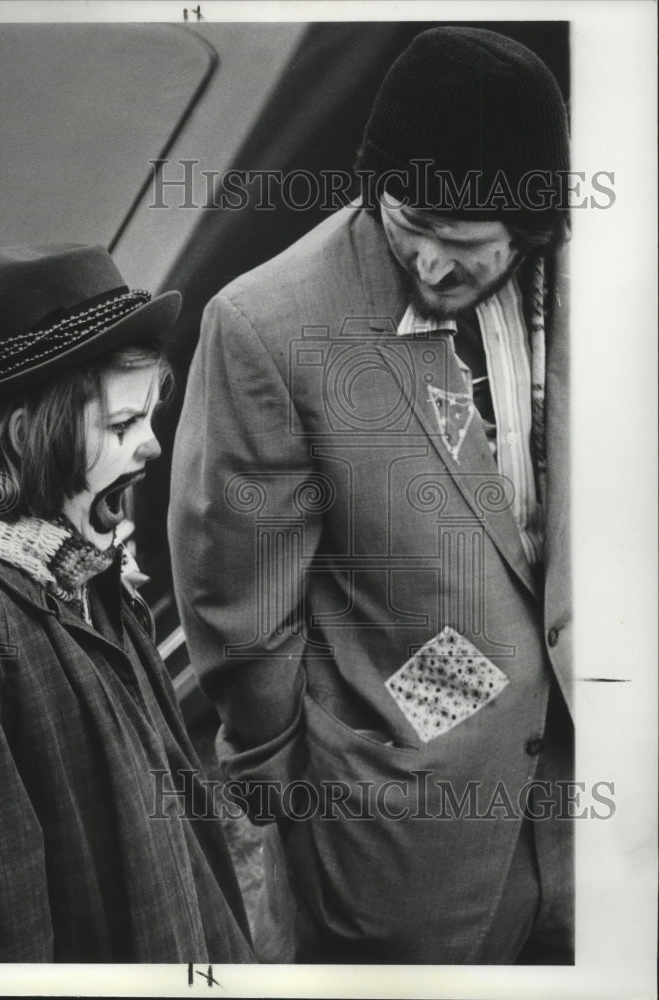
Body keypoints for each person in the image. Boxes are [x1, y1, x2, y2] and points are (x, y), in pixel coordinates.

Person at [169, 27, 573, 964]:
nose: (432, 266)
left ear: (534, 224)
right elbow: (238, 604)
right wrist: (290, 793)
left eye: (463, 244)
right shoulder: (264, 327)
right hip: (391, 835)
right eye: (409, 226)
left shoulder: (600, 284)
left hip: (589, 813)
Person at [0, 243, 254, 964]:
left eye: (148, 417)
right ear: (30, 433)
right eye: (120, 426)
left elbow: (177, 832)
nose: (150, 446)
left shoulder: (81, 566)